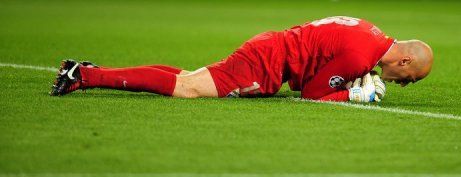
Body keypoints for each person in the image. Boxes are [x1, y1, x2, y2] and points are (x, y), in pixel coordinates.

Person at [51, 16, 433, 103]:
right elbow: (313, 95)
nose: (405, 83)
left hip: (272, 47)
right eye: (411, 78)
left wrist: (347, 80)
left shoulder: (370, 32)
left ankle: (86, 71)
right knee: (188, 89)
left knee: (189, 76)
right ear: (403, 63)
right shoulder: (361, 54)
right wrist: (353, 95)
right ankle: (84, 75)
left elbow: (321, 55)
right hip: (267, 62)